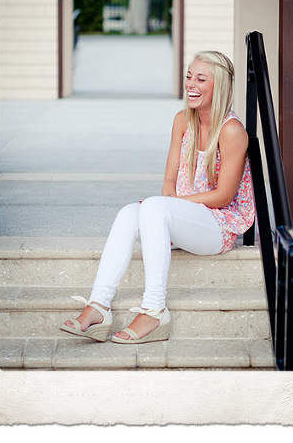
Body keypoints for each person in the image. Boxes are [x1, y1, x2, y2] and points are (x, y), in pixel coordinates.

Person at [60, 51, 255, 344]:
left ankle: (154, 310)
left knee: (152, 206)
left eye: (201, 79)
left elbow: (223, 196)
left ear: (220, 87)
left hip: (218, 227)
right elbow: (169, 180)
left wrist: (167, 206)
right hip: (184, 217)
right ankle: (99, 306)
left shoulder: (231, 130)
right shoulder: (182, 121)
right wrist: (165, 204)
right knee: (129, 212)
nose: (191, 84)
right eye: (189, 76)